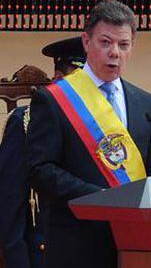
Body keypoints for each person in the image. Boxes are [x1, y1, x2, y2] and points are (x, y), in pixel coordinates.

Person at [27, 0, 151, 268]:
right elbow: (40, 170)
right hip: (77, 240)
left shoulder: (145, 102)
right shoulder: (54, 100)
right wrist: (101, 197)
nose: (114, 52)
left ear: (132, 47)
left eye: (123, 44)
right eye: (105, 42)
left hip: (136, 243)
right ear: (86, 42)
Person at [0, 37, 86, 268]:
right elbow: (10, 204)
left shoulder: (105, 125)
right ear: (58, 79)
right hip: (45, 255)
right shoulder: (26, 122)